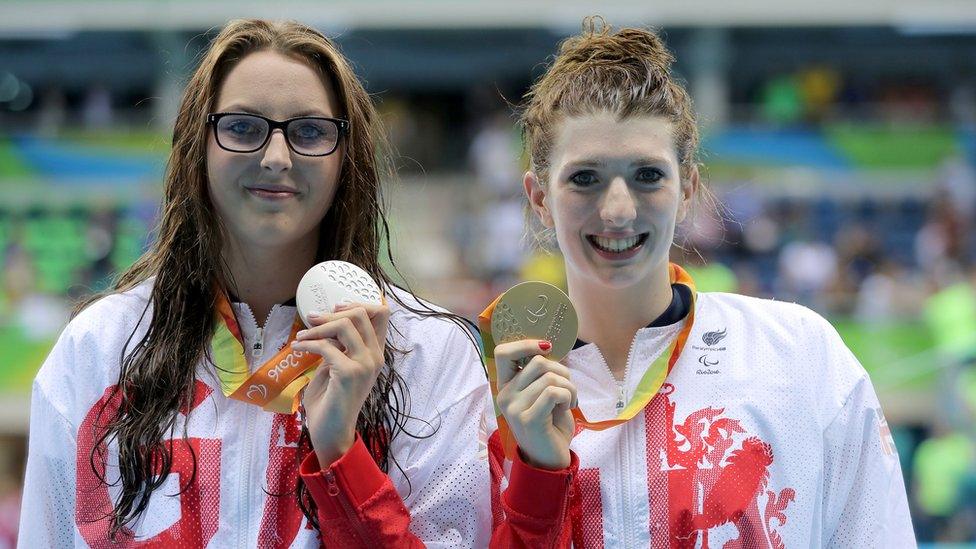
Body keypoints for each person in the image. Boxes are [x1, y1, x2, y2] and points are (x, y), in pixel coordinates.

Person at [18, 19, 491, 547]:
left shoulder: (429, 354)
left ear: (345, 158)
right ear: (199, 145)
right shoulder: (97, 348)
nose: (275, 157)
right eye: (243, 127)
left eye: (310, 131)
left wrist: (343, 457)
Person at [488, 18, 915, 547]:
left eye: (648, 175)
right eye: (584, 178)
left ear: (688, 188)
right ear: (539, 199)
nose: (618, 209)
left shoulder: (798, 356)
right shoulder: (483, 388)